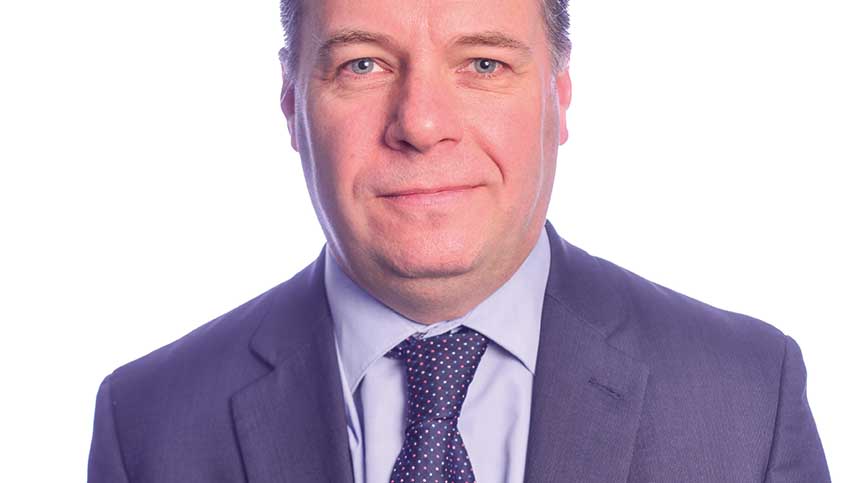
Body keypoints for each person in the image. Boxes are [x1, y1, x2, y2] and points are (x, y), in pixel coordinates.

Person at [87, 0, 830, 481]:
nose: (421, 123)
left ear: (560, 95)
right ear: (292, 104)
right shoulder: (148, 427)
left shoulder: (745, 401)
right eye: (362, 63)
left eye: (483, 63)